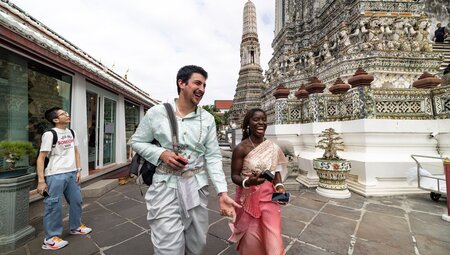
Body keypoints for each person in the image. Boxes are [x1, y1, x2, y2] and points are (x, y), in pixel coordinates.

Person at [131, 65, 241, 255]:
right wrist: (161, 154)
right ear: (181, 83)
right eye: (197, 83)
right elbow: (137, 141)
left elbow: (213, 156)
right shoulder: (157, 113)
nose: (202, 89)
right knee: (168, 247)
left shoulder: (207, 119)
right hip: (165, 186)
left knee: (196, 242)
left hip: (196, 186)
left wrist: (222, 193)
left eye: (205, 85)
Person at [228, 108, 288, 255]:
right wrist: (248, 183)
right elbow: (234, 176)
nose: (261, 123)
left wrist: (279, 187)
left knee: (273, 238)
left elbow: (276, 172)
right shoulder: (241, 148)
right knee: (252, 240)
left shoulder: (273, 147)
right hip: (248, 199)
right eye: (256, 119)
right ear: (248, 123)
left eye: (263, 119)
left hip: (269, 199)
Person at [36, 107, 92, 250]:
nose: (67, 115)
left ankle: (76, 226)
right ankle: (50, 239)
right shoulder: (50, 134)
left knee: (77, 200)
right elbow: (41, 158)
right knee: (53, 206)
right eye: (63, 114)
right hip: (55, 174)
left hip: (72, 172)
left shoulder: (71, 132)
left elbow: (76, 152)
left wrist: (79, 170)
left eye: (66, 113)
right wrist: (41, 181)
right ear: (55, 120)